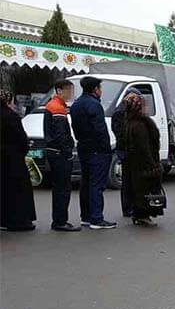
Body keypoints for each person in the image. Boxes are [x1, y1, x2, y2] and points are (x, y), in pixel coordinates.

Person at [71, 76, 116, 230]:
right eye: (100, 88)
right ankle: (97, 218)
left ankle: (86, 216)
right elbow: (100, 129)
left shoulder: (76, 104)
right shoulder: (94, 105)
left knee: (86, 183)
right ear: (95, 89)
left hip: (83, 147)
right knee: (97, 184)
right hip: (97, 150)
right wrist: (106, 148)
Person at [123, 91, 164, 227]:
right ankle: (142, 215)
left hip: (135, 164)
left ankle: (139, 214)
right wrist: (153, 165)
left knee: (137, 189)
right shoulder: (139, 125)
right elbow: (144, 147)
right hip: (144, 164)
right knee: (144, 190)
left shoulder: (130, 122)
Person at [44, 79, 80, 231]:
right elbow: (61, 135)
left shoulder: (53, 106)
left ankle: (58, 220)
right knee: (63, 188)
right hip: (59, 154)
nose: (71, 94)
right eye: (68, 90)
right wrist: (68, 152)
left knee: (59, 188)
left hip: (53, 152)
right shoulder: (57, 108)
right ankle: (60, 221)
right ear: (59, 91)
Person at [1, 89, 36, 231]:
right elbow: (20, 138)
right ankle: (18, 221)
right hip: (13, 158)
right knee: (17, 191)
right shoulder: (11, 117)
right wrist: (26, 146)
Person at [110, 87, 141, 218]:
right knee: (128, 181)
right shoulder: (120, 112)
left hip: (132, 149)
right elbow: (120, 133)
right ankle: (128, 208)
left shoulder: (131, 111)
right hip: (126, 150)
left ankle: (133, 205)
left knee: (133, 180)